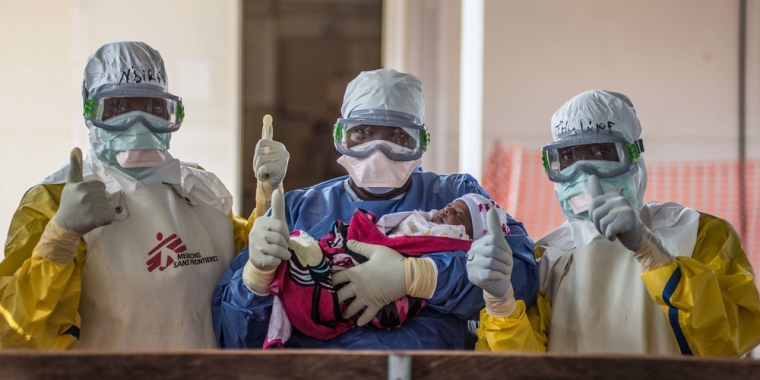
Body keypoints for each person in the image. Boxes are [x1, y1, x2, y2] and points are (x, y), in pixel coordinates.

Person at [212, 69, 539, 350]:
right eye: (363, 134)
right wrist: (255, 279)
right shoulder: (297, 209)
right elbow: (233, 338)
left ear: (421, 143)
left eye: (398, 136)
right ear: (341, 137)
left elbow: (522, 276)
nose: (379, 151)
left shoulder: (458, 197)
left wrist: (421, 277)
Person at [0, 41, 289, 350]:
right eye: (117, 109)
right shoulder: (54, 200)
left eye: (152, 108)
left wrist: (267, 201)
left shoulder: (201, 189)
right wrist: (59, 239)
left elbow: (247, 275)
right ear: (90, 113)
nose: (137, 123)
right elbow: (14, 330)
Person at [468, 90, 760, 356]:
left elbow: (729, 340)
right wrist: (501, 303)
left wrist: (652, 253)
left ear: (634, 158)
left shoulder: (698, 232)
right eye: (568, 158)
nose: (584, 174)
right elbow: (517, 369)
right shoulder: (546, 256)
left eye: (601, 153)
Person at [262, 193, 511, 348]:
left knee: (319, 280)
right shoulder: (301, 202)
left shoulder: (460, 248)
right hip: (365, 258)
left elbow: (520, 274)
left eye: (458, 215)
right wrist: (257, 273)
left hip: (389, 294)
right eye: (449, 206)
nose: (447, 210)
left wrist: (415, 274)